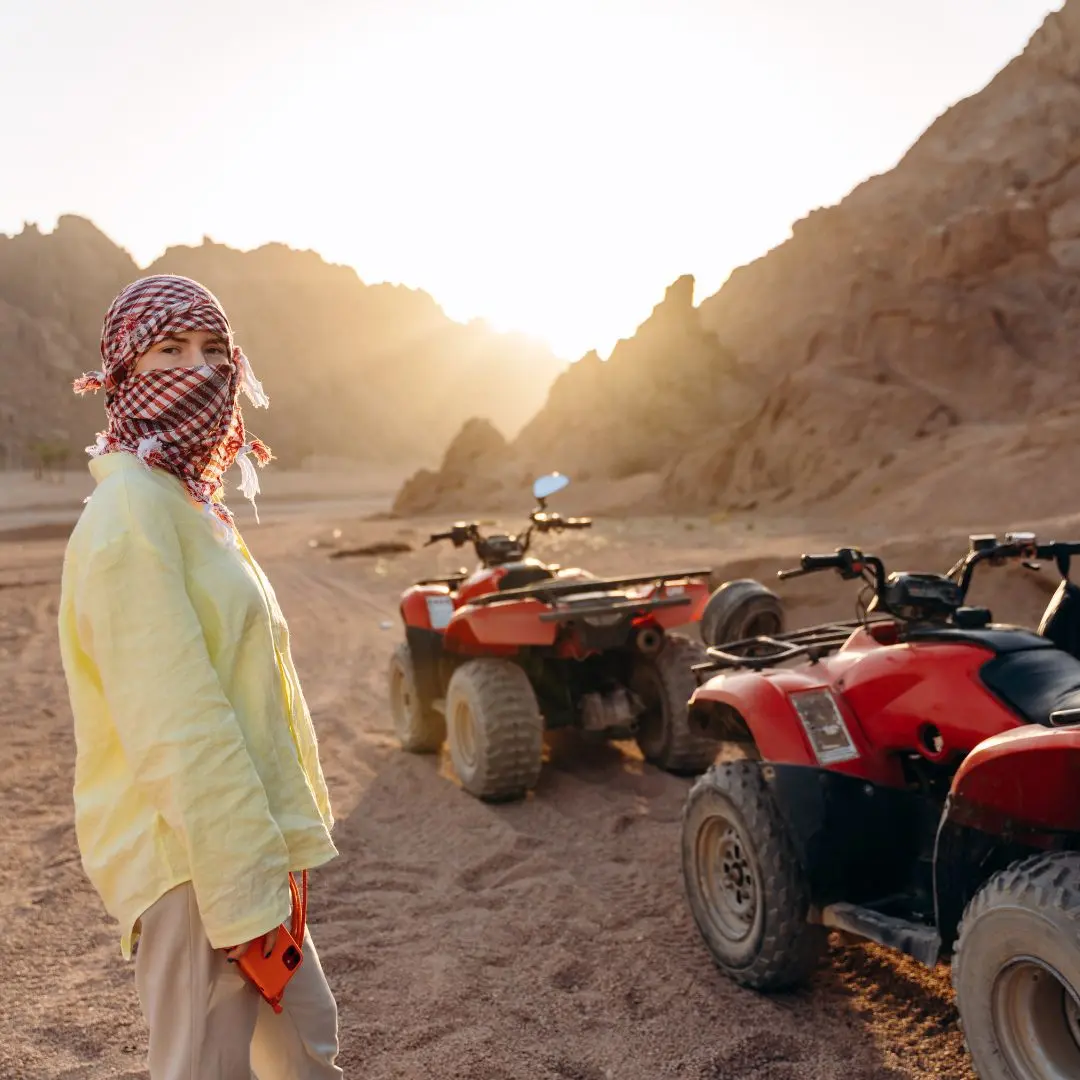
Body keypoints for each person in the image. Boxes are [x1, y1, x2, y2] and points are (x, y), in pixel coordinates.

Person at [57, 274, 343, 1079]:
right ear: (123, 372)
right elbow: (174, 721)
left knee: (306, 1051)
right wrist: (242, 893)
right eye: (172, 350)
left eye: (216, 350)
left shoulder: (189, 505)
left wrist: (266, 860)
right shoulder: (132, 513)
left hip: (244, 841)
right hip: (191, 859)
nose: (202, 369)